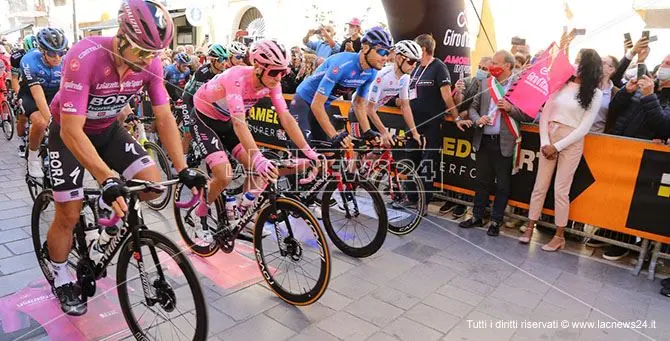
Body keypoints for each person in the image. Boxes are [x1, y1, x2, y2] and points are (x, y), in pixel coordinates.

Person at [45, 0, 205, 315]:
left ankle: (105, 219)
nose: (148, 61)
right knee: (68, 214)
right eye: (142, 52)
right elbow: (73, 131)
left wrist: (183, 167)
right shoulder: (85, 55)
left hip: (108, 129)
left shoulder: (152, 65)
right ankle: (61, 273)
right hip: (68, 132)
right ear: (122, 35)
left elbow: (164, 117)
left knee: (152, 185)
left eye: (154, 54)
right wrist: (106, 177)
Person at [192, 39, 321, 236]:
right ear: (258, 67)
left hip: (226, 121)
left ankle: (244, 213)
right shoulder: (235, 77)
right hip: (205, 119)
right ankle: (198, 212)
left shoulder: (272, 83)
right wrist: (258, 158)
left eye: (283, 71)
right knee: (225, 175)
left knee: (260, 171)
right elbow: (239, 123)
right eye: (274, 72)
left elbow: (285, 117)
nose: (279, 77)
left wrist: (308, 151)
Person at [519, 49, 604, 251]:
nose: (574, 64)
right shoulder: (561, 85)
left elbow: (584, 127)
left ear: (587, 66)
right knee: (540, 186)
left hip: (571, 142)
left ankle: (559, 236)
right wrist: (545, 142)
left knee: (561, 190)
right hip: (549, 136)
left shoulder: (595, 93)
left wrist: (557, 146)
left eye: (578, 61)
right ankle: (529, 227)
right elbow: (546, 114)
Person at [457, 50, 533, 236]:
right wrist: (477, 119)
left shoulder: (518, 86)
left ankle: (496, 220)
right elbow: (473, 108)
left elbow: (527, 115)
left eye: (496, 63)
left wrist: (510, 109)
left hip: (504, 142)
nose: (492, 67)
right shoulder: (486, 82)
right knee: (482, 181)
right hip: (484, 139)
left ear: (508, 65)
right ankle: (477, 216)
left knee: (502, 184)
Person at [292, 27, 393, 149]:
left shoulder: (371, 72)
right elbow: (316, 104)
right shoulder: (342, 64)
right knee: (303, 154)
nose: (385, 58)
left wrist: (367, 131)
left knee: (330, 156)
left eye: (388, 53)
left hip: (322, 105)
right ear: (366, 48)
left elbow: (359, 104)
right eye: (382, 52)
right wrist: (335, 136)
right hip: (303, 101)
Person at [407, 33, 461, 207]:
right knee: (410, 158)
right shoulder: (414, 67)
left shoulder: (439, 66)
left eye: (415, 48)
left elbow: (446, 96)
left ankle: (424, 201)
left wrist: (457, 117)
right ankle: (410, 197)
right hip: (413, 123)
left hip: (432, 123)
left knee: (428, 162)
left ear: (423, 49)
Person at [348, 39, 423, 149]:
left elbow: (405, 106)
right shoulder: (381, 76)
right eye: (411, 61)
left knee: (382, 149)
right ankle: (353, 166)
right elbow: (369, 108)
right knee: (361, 151)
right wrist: (384, 132)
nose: (414, 66)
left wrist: (415, 133)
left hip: (372, 113)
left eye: (417, 62)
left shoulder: (405, 78)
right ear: (398, 58)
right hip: (358, 112)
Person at [18, 28, 67, 178]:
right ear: (42, 50)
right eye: (52, 53)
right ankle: (32, 157)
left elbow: (67, 89)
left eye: (61, 53)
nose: (57, 58)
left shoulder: (66, 61)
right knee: (40, 122)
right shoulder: (29, 60)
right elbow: (38, 95)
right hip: (31, 94)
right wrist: (50, 120)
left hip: (53, 94)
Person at [11, 35, 38, 155]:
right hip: (24, 86)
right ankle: (21, 140)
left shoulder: (42, 54)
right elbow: (14, 79)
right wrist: (18, 95)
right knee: (23, 116)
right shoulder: (17, 57)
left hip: (40, 85)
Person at [183, 43, 228, 108]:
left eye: (226, 59)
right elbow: (198, 95)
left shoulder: (224, 72)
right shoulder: (202, 72)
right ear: (212, 60)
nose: (224, 63)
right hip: (190, 98)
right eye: (221, 59)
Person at [590, 55, 620, 133]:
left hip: (598, 136)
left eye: (603, 63)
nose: (598, 64)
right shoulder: (587, 85)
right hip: (577, 134)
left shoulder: (616, 93)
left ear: (611, 69)